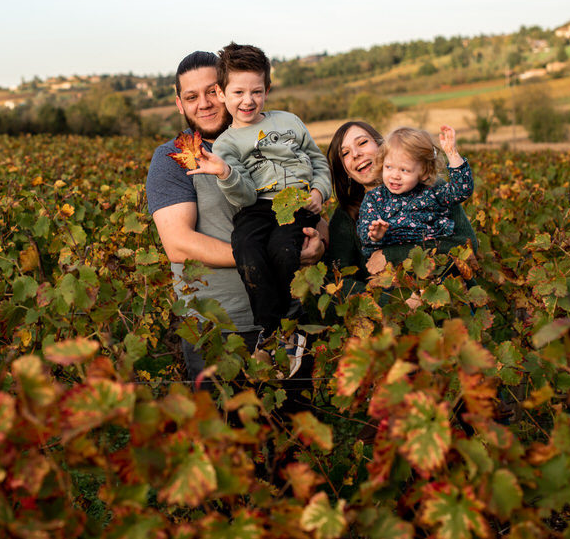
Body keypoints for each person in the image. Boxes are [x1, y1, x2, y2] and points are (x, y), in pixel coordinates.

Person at [146, 50, 325, 387]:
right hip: (218, 324)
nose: (205, 103)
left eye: (212, 91)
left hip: (289, 318)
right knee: (225, 432)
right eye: (192, 96)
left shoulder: (273, 139)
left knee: (291, 427)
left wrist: (320, 241)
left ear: (227, 89)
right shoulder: (173, 159)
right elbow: (178, 243)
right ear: (179, 104)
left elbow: (306, 207)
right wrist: (265, 257)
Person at [186, 43, 332, 351]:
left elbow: (318, 161)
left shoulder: (289, 122)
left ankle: (293, 324)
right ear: (221, 92)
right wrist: (225, 172)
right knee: (246, 247)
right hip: (256, 207)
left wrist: (319, 190)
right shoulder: (225, 144)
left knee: (282, 249)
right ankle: (269, 328)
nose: (248, 101)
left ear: (266, 89)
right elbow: (245, 196)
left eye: (256, 92)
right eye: (238, 93)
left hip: (295, 202)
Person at [325, 121, 478, 294]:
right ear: (344, 169)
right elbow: (338, 283)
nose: (356, 154)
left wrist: (392, 255)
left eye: (362, 143)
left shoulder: (432, 189)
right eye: (345, 153)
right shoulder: (347, 216)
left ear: (382, 147)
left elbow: (466, 247)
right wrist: (400, 302)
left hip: (449, 296)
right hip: (394, 310)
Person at [358, 125, 474, 258]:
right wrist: (374, 235)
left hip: (430, 261)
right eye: (389, 167)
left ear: (424, 172)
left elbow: (461, 191)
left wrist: (452, 154)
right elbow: (365, 229)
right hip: (390, 268)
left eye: (404, 170)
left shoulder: (432, 191)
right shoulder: (375, 198)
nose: (395, 175)